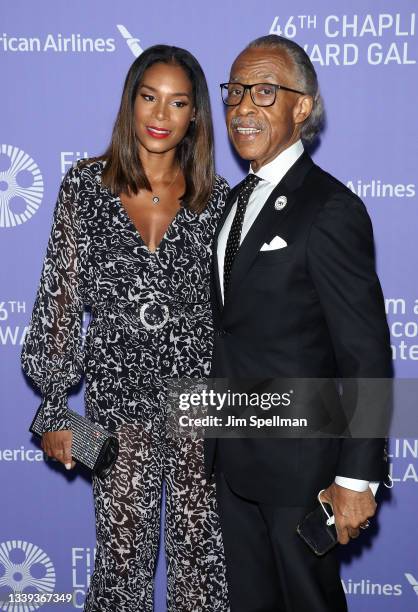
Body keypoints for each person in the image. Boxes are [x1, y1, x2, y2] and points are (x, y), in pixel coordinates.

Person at [21, 45, 230, 612]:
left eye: (178, 102)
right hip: (118, 410)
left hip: (201, 412)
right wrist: (54, 411)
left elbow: (241, 322)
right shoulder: (85, 188)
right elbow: (58, 307)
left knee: (204, 570)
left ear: (195, 116)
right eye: (149, 96)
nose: (160, 114)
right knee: (120, 571)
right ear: (130, 102)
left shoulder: (220, 204)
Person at [205, 35, 392, 611]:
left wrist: (357, 479)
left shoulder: (330, 208)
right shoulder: (235, 202)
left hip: (302, 473)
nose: (242, 108)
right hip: (234, 463)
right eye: (235, 92)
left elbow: (366, 353)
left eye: (264, 92)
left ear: (302, 107)